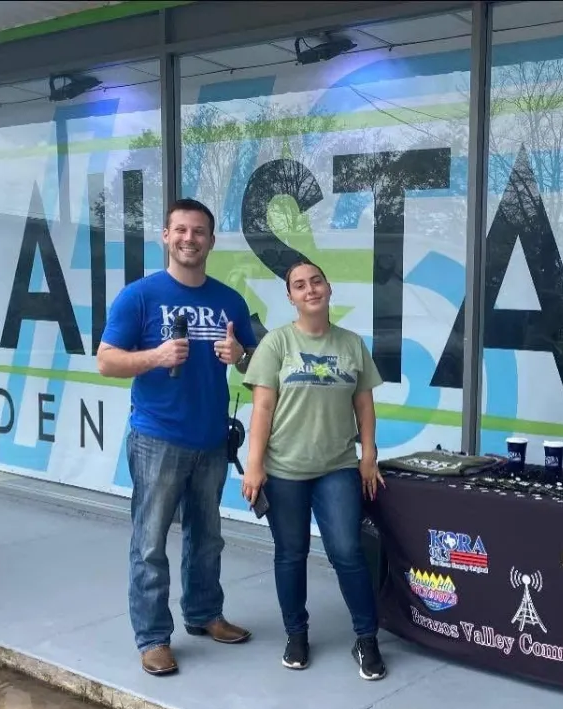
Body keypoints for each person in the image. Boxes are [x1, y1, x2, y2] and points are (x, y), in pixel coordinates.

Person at [97, 198, 259, 676]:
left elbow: (255, 362)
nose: (190, 239)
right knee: (150, 543)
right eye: (181, 231)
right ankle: (152, 637)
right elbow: (107, 360)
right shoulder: (140, 297)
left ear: (211, 240)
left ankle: (205, 614)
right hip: (157, 439)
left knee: (208, 538)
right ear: (165, 237)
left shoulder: (229, 300)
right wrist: (156, 356)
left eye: (199, 232)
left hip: (210, 440)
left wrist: (241, 356)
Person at [240, 261, 388, 680]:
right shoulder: (276, 345)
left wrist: (368, 454)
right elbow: (262, 408)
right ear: (290, 297)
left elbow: (364, 405)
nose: (310, 290)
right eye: (299, 285)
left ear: (328, 288)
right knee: (291, 554)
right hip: (284, 469)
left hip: (337, 466)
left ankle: (366, 639)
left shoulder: (351, 344)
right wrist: (254, 467)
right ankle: (296, 635)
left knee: (347, 552)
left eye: (316, 281)